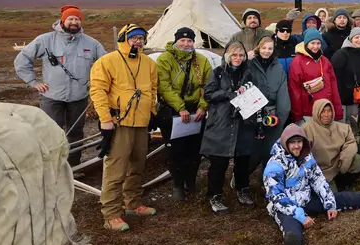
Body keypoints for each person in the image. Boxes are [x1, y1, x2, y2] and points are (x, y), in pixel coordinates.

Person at [263, 124, 360, 245]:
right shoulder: (274, 165)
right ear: (285, 143)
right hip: (285, 207)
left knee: (343, 198)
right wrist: (300, 216)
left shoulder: (306, 156)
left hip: (306, 199)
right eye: (292, 143)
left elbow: (318, 180)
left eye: (299, 142)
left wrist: (329, 203)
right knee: (291, 226)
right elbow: (277, 197)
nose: (296, 146)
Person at [14, 5, 107, 166]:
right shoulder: (45, 40)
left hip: (79, 96)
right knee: (50, 132)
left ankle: (73, 167)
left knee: (76, 133)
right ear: (63, 21)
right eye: (70, 18)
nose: (74, 22)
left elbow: (105, 65)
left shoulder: (91, 43)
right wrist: (33, 82)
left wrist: (96, 81)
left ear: (81, 22)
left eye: (77, 19)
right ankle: (51, 167)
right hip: (52, 96)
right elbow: (22, 61)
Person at [89, 24, 158, 231]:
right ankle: (110, 214)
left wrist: (152, 112)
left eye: (141, 38)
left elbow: (152, 90)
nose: (138, 41)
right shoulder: (107, 61)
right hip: (119, 122)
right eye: (134, 37)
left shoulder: (148, 63)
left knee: (137, 166)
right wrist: (105, 119)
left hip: (141, 123)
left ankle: (133, 204)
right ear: (124, 39)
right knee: (115, 170)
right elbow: (98, 91)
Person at [155, 27, 212, 200]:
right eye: (182, 40)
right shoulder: (165, 59)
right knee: (175, 150)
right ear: (176, 41)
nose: (186, 44)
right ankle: (178, 184)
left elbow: (208, 85)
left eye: (189, 41)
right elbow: (163, 86)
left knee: (194, 149)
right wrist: (180, 107)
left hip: (196, 110)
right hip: (172, 110)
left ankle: (191, 181)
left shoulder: (201, 60)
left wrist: (203, 106)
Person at [201, 41, 256, 213]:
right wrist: (229, 93)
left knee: (242, 160)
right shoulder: (218, 73)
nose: (238, 58)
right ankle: (214, 195)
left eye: (241, 55)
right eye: (234, 55)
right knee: (219, 161)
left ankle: (242, 189)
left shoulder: (248, 73)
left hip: (242, 121)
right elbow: (208, 94)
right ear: (228, 56)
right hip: (222, 122)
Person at [246, 35, 292, 182]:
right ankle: (241, 178)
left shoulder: (278, 68)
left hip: (272, 114)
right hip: (252, 114)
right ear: (258, 48)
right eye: (264, 48)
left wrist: (281, 116)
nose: (267, 51)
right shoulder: (249, 65)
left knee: (270, 150)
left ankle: (266, 181)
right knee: (251, 152)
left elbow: (283, 95)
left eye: (270, 48)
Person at [302, 99, 360, 190]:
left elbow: (350, 141)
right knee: (333, 196)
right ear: (316, 112)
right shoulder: (306, 129)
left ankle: (343, 183)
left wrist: (345, 158)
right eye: (323, 111)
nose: (326, 115)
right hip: (321, 170)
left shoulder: (340, 127)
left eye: (329, 111)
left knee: (357, 160)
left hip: (338, 164)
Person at [288, 28, 342, 125]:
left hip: (326, 111)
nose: (316, 46)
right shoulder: (297, 62)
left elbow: (334, 87)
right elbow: (294, 89)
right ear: (306, 43)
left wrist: (337, 111)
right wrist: (297, 115)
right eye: (312, 43)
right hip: (308, 112)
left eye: (318, 43)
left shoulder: (325, 61)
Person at [331, 27, 360, 123]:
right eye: (356, 37)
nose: (359, 40)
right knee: (341, 125)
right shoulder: (341, 54)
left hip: (356, 98)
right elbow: (334, 75)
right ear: (350, 38)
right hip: (342, 97)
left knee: (353, 126)